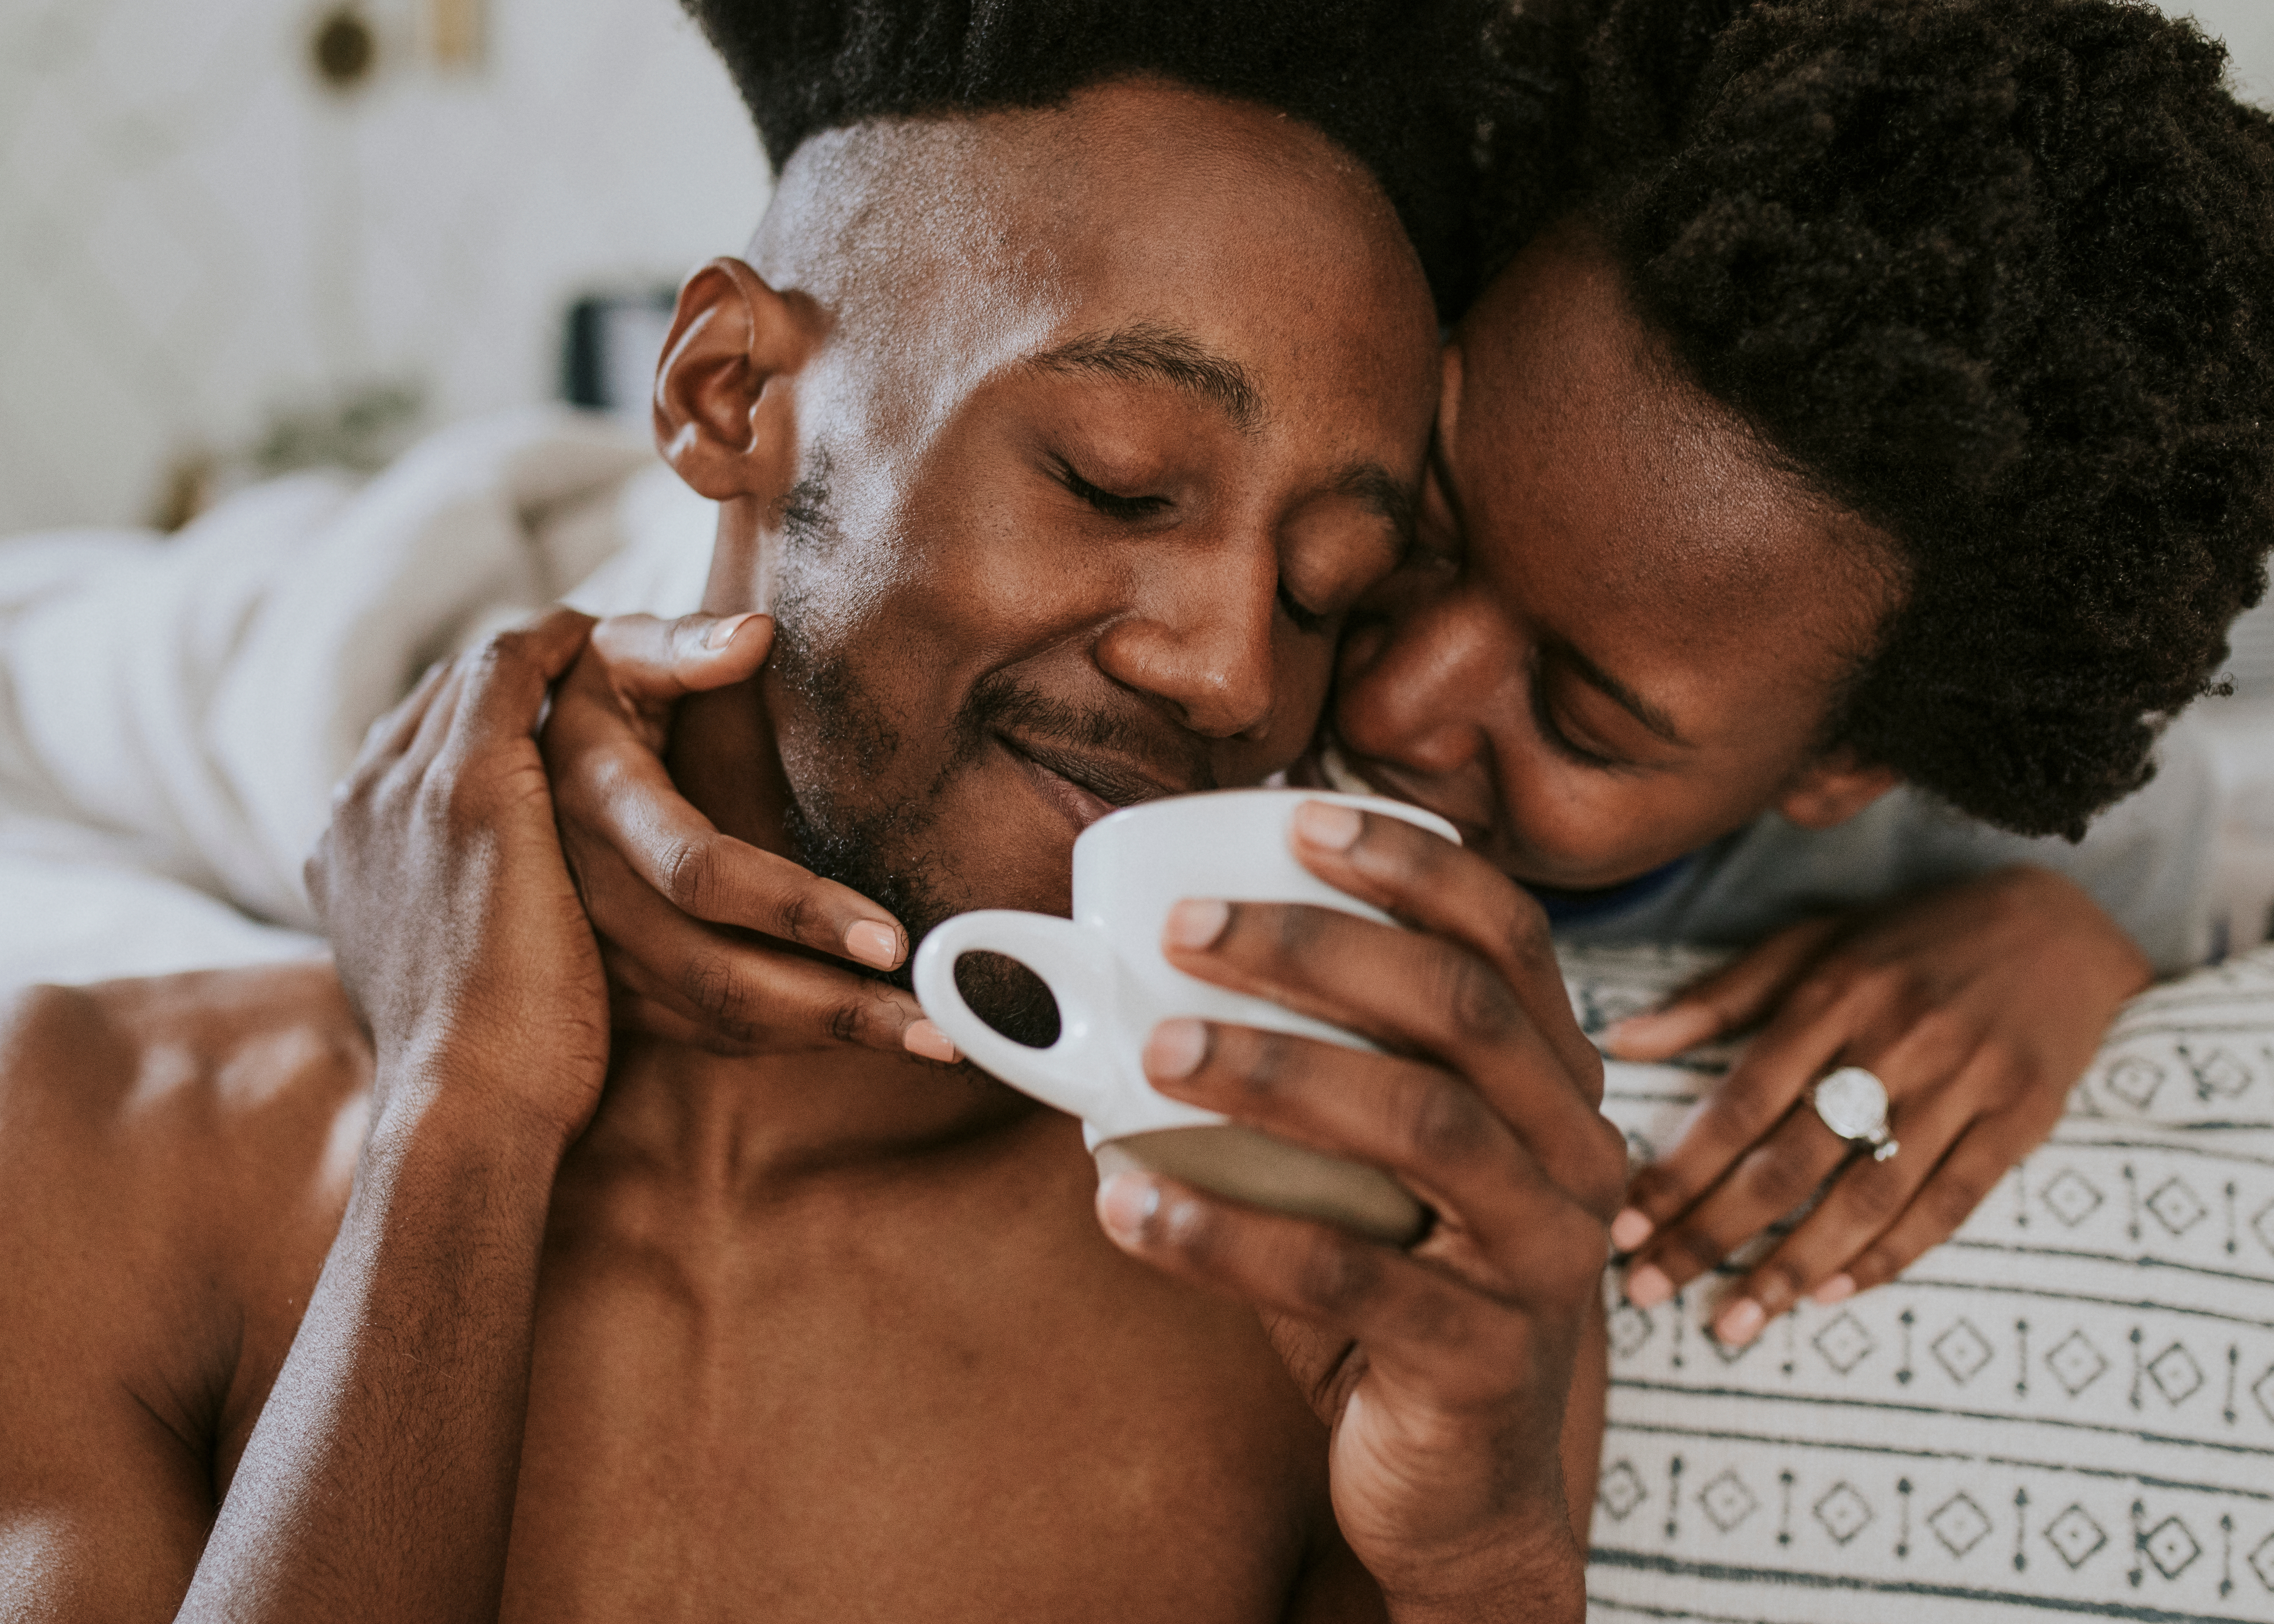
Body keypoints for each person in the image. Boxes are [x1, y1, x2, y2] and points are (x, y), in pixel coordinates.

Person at [0, 4, 1632, 1620]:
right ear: (727, 396)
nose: (1233, 676)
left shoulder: (1357, 1302)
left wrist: (1484, 1567)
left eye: (1326, 588)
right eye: (1118, 482)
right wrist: (462, 1121)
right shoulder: (96, 1144)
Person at [546, 0, 2274, 1356]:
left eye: (1585, 720)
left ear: (1839, 774)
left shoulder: (1960, 835)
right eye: (1408, 547)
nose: (1380, 700)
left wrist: (2073, 951)